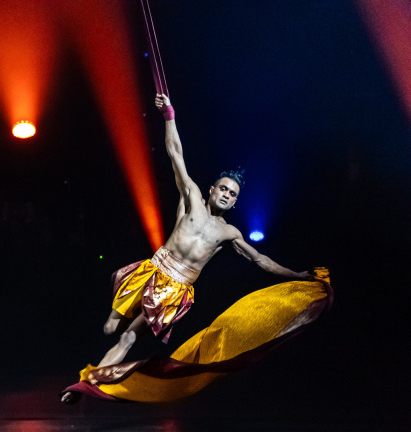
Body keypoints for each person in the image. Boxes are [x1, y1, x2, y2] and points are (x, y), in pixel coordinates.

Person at [83, 93, 311, 389]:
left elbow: (261, 261)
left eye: (233, 194)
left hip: (175, 288)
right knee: (110, 327)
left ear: (235, 202)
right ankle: (104, 351)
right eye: (224, 189)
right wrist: (169, 115)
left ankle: (90, 383)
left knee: (128, 337)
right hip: (152, 269)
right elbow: (175, 152)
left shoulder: (229, 233)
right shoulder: (191, 199)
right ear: (212, 188)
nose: (227, 195)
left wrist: (296, 275)